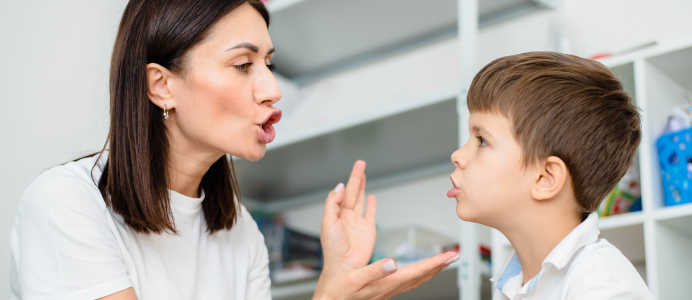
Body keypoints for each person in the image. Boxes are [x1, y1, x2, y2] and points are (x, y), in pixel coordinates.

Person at [9, 1, 458, 299]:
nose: (272, 89)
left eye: (269, 64)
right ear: (162, 85)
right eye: (243, 65)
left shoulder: (239, 232)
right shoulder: (66, 204)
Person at [447, 52, 654, 299]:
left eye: (482, 141)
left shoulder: (602, 285)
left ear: (545, 178)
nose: (457, 155)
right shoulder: (512, 282)